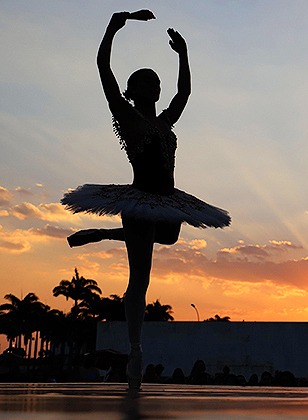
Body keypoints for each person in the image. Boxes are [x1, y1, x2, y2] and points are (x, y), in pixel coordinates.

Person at [61, 10, 230, 390]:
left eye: (156, 81)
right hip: (142, 199)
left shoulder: (165, 122)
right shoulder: (127, 117)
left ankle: (105, 234)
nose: (155, 85)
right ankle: (135, 350)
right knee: (140, 279)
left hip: (168, 199)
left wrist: (183, 54)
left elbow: (184, 93)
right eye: (147, 82)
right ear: (134, 91)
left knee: (170, 237)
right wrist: (113, 27)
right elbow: (102, 67)